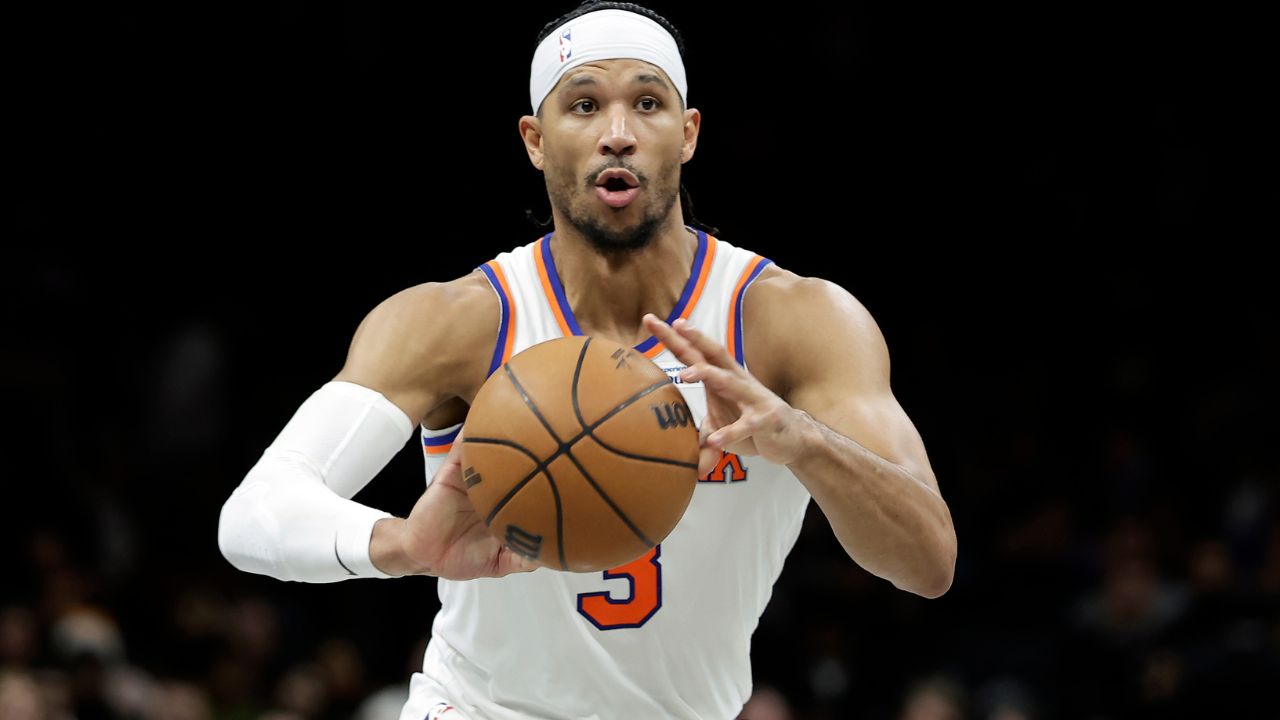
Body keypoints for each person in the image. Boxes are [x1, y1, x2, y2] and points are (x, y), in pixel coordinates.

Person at [217, 2, 958, 718]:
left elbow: (929, 562)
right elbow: (252, 516)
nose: (617, 133)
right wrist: (401, 544)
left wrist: (803, 440)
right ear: (535, 140)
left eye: (647, 102)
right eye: (583, 106)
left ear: (689, 132)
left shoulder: (791, 321)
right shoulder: (456, 322)